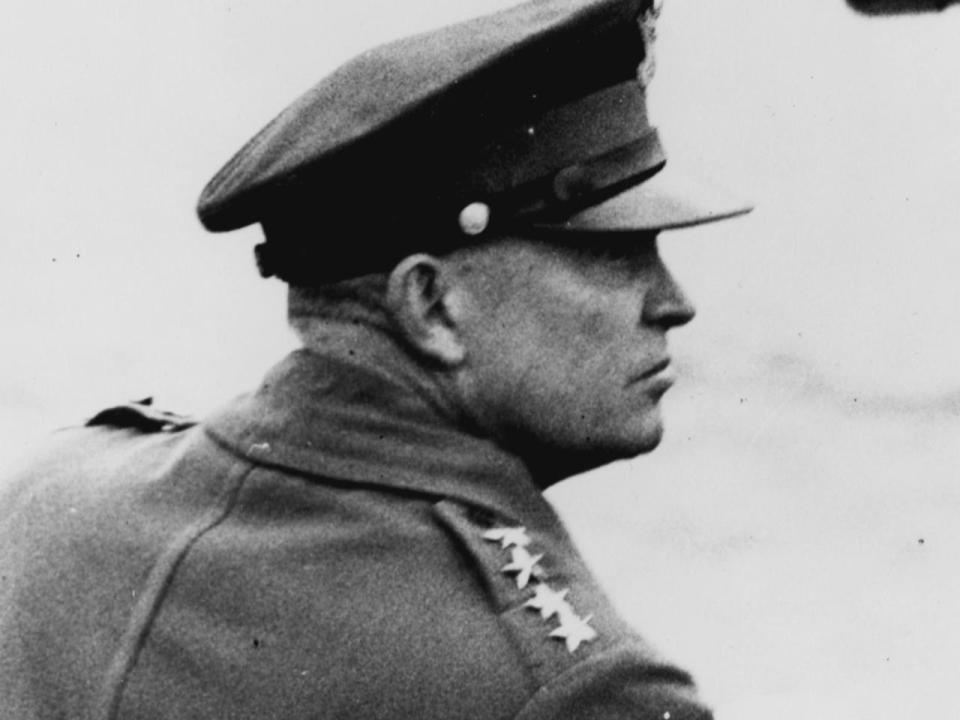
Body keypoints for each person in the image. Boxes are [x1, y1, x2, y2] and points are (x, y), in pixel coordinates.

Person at [0, 0, 751, 717]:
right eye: (615, 255)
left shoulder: (48, 499)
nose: (672, 301)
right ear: (429, 304)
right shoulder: (578, 692)